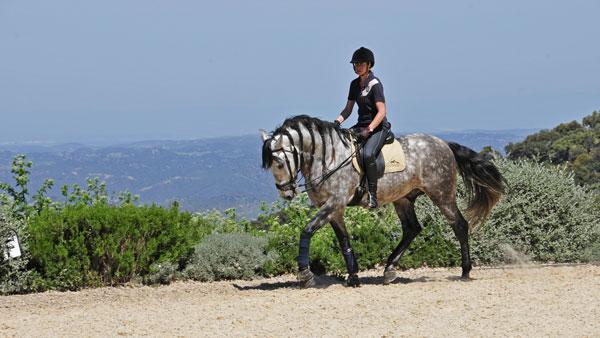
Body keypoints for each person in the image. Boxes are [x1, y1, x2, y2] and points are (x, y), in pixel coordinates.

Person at [334, 47, 391, 208]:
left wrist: (369, 129)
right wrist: (337, 122)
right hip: (360, 126)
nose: (358, 66)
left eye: (361, 64)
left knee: (367, 154)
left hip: (378, 127)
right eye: (356, 64)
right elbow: (348, 109)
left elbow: (382, 112)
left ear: (369, 65)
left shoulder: (375, 84)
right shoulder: (354, 84)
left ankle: (372, 195)